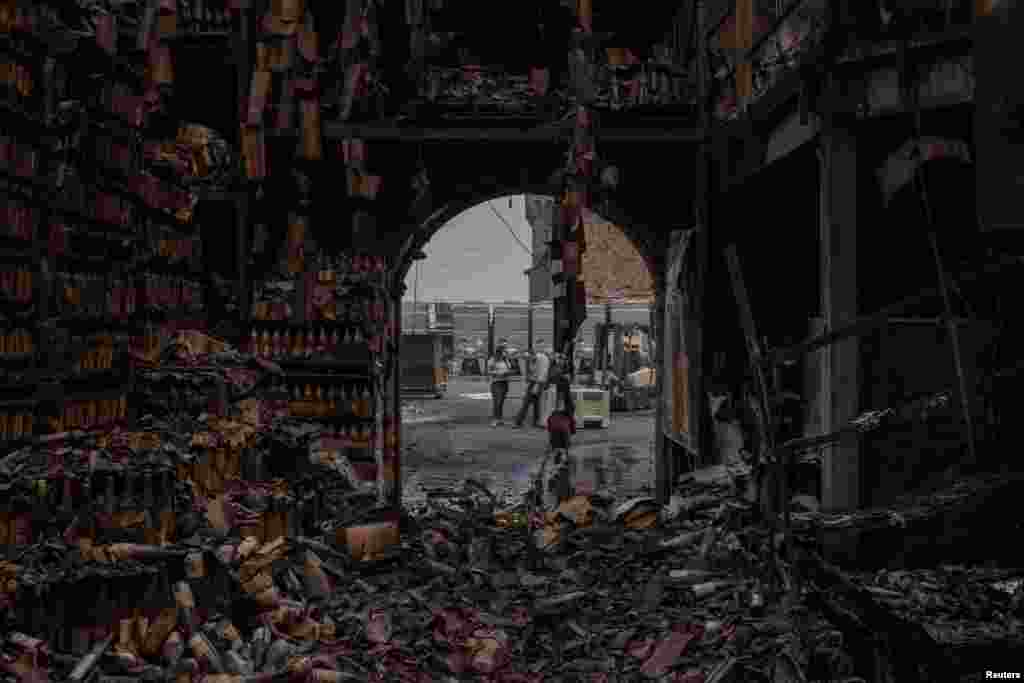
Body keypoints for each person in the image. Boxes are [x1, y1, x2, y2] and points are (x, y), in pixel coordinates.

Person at [515, 344, 550, 428]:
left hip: (539, 382)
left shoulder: (543, 359)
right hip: (534, 382)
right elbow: (529, 374)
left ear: (533, 354)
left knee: (527, 402)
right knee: (536, 403)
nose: (527, 360)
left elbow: (543, 373)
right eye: (526, 359)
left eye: (528, 358)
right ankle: (536, 422)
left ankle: (518, 421)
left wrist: (536, 385)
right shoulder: (531, 359)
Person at [488, 342, 512, 426]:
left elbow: (509, 368)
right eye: (504, 351)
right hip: (496, 382)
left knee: (501, 401)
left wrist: (508, 372)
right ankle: (495, 419)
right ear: (499, 351)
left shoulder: (506, 360)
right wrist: (498, 373)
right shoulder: (493, 360)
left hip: (505, 382)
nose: (505, 353)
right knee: (497, 401)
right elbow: (488, 371)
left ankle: (499, 419)